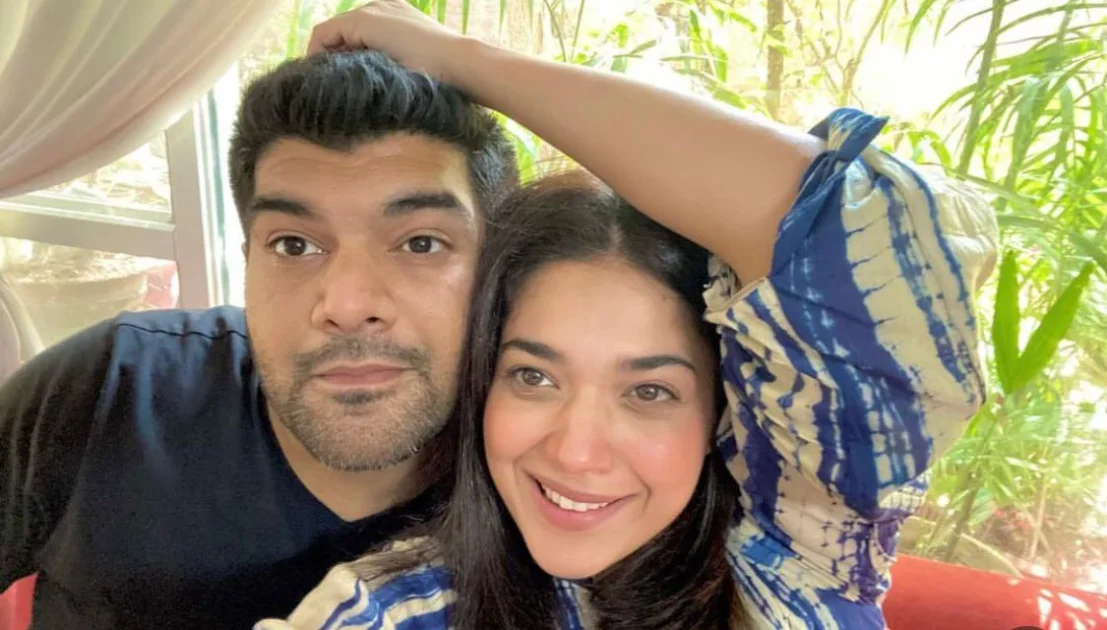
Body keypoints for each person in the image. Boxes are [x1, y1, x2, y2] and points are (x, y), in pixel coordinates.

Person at [256, 2, 999, 628]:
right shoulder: (393, 611)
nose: (577, 452)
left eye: (649, 391)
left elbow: (876, 242)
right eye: (533, 376)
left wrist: (461, 60)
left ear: (718, 412)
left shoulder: (790, 565)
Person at [0, 51, 517, 629]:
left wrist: (471, 61)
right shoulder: (111, 389)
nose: (348, 306)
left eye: (421, 243)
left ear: (497, 267)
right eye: (294, 245)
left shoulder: (541, 470)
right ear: (249, 262)